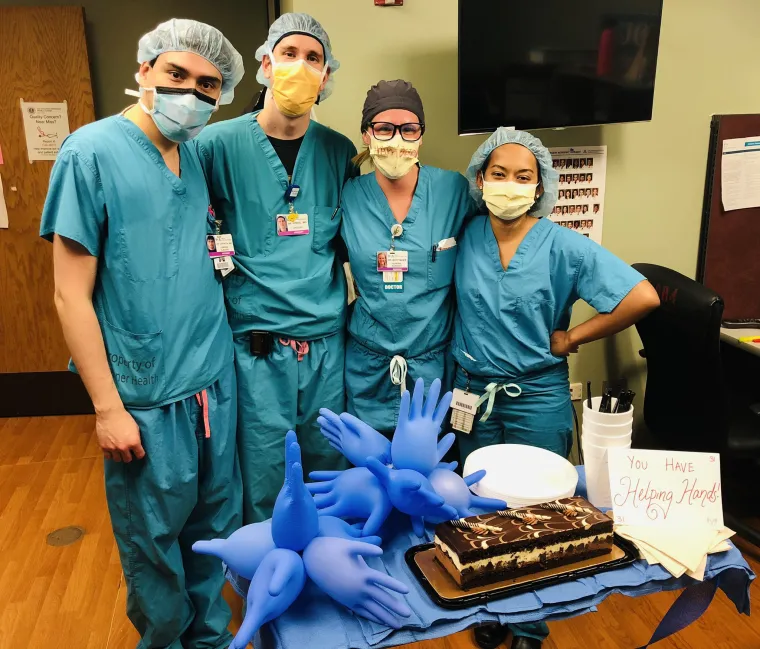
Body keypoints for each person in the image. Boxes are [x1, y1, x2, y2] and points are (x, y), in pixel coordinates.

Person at [40, 19, 245, 649]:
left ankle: (209, 641)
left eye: (208, 84)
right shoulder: (90, 152)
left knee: (212, 534)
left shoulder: (196, 156)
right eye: (176, 74)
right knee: (154, 550)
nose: (191, 91)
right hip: (145, 399)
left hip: (212, 382)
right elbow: (69, 295)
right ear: (145, 73)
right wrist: (107, 409)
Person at [454, 128, 659, 649]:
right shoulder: (465, 234)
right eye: (499, 174)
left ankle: (529, 625)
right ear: (481, 179)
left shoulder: (565, 245)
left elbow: (643, 297)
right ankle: (493, 607)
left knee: (538, 515)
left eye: (524, 177)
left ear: (541, 187)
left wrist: (573, 336)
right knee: (481, 509)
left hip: (537, 398)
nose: (510, 185)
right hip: (473, 397)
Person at [195, 13, 356, 524]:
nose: (301, 66)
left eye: (314, 58)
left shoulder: (339, 152)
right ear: (265, 64)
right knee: (264, 471)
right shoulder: (215, 147)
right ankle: (270, 575)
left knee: (328, 466)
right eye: (290, 54)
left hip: (327, 343)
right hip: (257, 345)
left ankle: (330, 567)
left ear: (327, 76)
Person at [341, 80, 474, 435]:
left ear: (421, 135)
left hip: (433, 367)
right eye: (384, 128)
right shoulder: (349, 196)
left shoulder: (453, 191)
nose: (396, 139)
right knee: (370, 473)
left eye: (408, 129)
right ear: (367, 135)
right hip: (369, 366)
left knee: (431, 476)